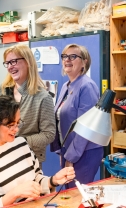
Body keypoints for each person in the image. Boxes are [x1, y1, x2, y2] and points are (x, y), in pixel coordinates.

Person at [0, 95, 75, 208]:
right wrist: (13, 194)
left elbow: (36, 180)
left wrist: (53, 180)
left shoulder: (21, 144)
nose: (16, 129)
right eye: (11, 125)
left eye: (18, 123)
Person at [50, 44, 104, 189]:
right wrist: (61, 151)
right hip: (68, 151)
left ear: (84, 61)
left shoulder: (87, 86)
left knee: (78, 196)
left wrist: (71, 157)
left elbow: (85, 127)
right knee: (69, 195)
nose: (67, 60)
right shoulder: (66, 86)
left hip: (84, 153)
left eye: (73, 56)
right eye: (64, 56)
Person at [0, 44, 56, 166]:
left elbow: (48, 134)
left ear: (28, 62)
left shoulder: (43, 97)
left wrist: (20, 141)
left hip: (28, 159)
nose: (10, 67)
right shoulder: (2, 91)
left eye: (14, 61)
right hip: (1, 155)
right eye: (7, 63)